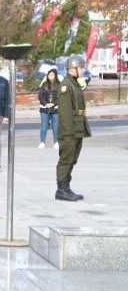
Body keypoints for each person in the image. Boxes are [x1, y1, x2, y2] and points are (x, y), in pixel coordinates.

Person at [56, 59, 90, 201]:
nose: (83, 70)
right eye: (81, 68)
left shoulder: (74, 83)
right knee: (66, 159)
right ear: (73, 68)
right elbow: (65, 112)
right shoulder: (66, 85)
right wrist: (69, 133)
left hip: (77, 128)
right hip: (69, 131)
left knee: (72, 159)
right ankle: (61, 190)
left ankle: (67, 187)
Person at [38, 69, 60, 149]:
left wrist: (54, 104)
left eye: (52, 75)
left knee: (56, 126)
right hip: (44, 109)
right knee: (44, 126)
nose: (51, 76)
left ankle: (56, 142)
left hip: (56, 109)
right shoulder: (44, 84)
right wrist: (45, 104)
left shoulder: (59, 85)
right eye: (49, 75)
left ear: (55, 76)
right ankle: (42, 142)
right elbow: (40, 96)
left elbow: (60, 97)